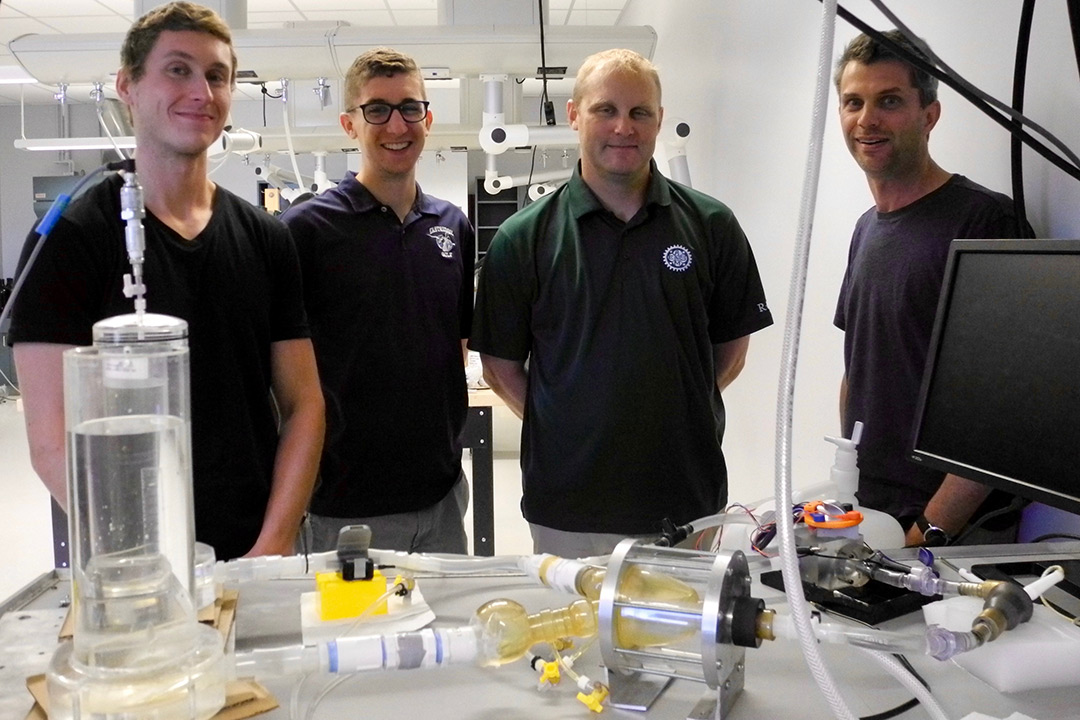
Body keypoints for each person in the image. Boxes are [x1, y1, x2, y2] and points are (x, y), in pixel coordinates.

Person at [9, 1, 325, 561]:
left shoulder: (266, 238)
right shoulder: (74, 234)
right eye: (178, 69)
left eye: (217, 75)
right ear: (127, 86)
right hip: (131, 561)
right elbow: (50, 440)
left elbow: (303, 405)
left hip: (255, 551)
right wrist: (145, 561)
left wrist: (272, 544)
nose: (202, 92)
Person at [470, 49, 773, 558]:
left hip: (685, 503)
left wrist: (671, 409)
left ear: (658, 119)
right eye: (605, 110)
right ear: (574, 116)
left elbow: (730, 353)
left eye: (640, 113)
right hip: (568, 507)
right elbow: (500, 368)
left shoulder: (711, 225)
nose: (623, 128)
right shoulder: (523, 238)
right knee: (575, 635)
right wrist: (565, 422)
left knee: (682, 637)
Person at [833, 30, 1034, 547]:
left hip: (951, 535)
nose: (867, 119)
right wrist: (849, 490)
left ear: (930, 114)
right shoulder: (866, 229)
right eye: (853, 102)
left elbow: (1005, 402)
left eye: (890, 101)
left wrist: (932, 530)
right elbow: (858, 370)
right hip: (874, 517)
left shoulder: (984, 222)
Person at [282, 48, 475, 554]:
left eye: (410, 108)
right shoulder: (306, 231)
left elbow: (455, 343)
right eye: (377, 110)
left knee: (446, 632)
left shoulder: (451, 225)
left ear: (428, 119)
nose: (397, 124)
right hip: (342, 507)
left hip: (442, 498)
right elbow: (279, 375)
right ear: (350, 125)